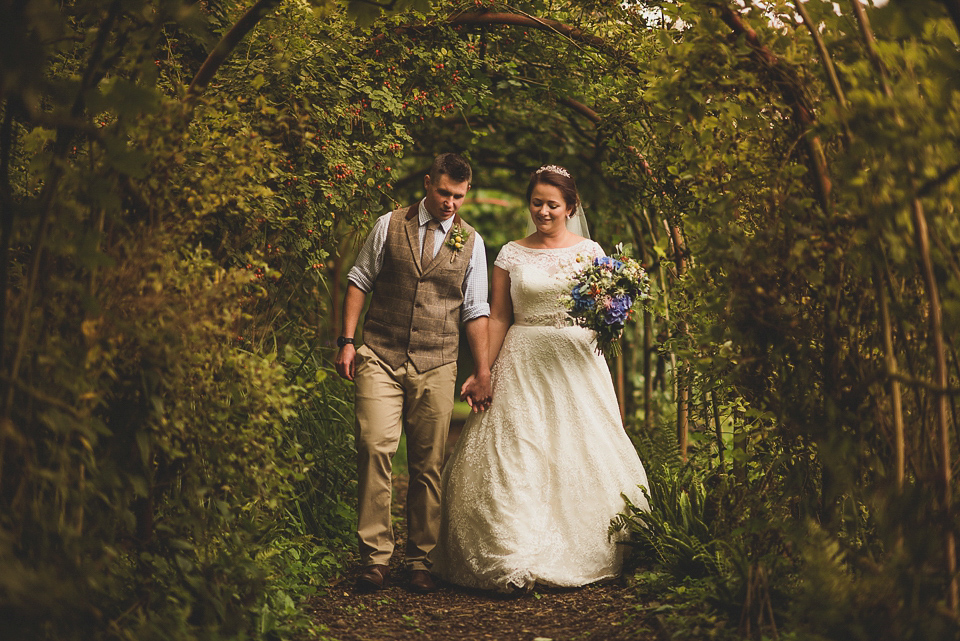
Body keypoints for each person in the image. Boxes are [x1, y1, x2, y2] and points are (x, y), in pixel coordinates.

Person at [432, 164, 650, 593]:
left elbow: (604, 307)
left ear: (571, 207)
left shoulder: (590, 252)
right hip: (523, 359)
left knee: (579, 450)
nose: (544, 212)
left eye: (553, 204)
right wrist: (483, 371)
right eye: (537, 203)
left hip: (576, 365)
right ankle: (513, 547)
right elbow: (498, 315)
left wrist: (610, 319)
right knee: (517, 451)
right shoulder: (511, 253)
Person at [335, 153, 492, 594]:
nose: (450, 203)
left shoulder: (472, 242)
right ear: (427, 184)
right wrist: (348, 342)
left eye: (459, 196)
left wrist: (482, 370)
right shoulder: (388, 225)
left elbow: (476, 308)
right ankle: (375, 557)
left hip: (437, 362)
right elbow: (360, 278)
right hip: (380, 354)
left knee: (428, 465)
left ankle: (420, 559)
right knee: (374, 446)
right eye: (444, 192)